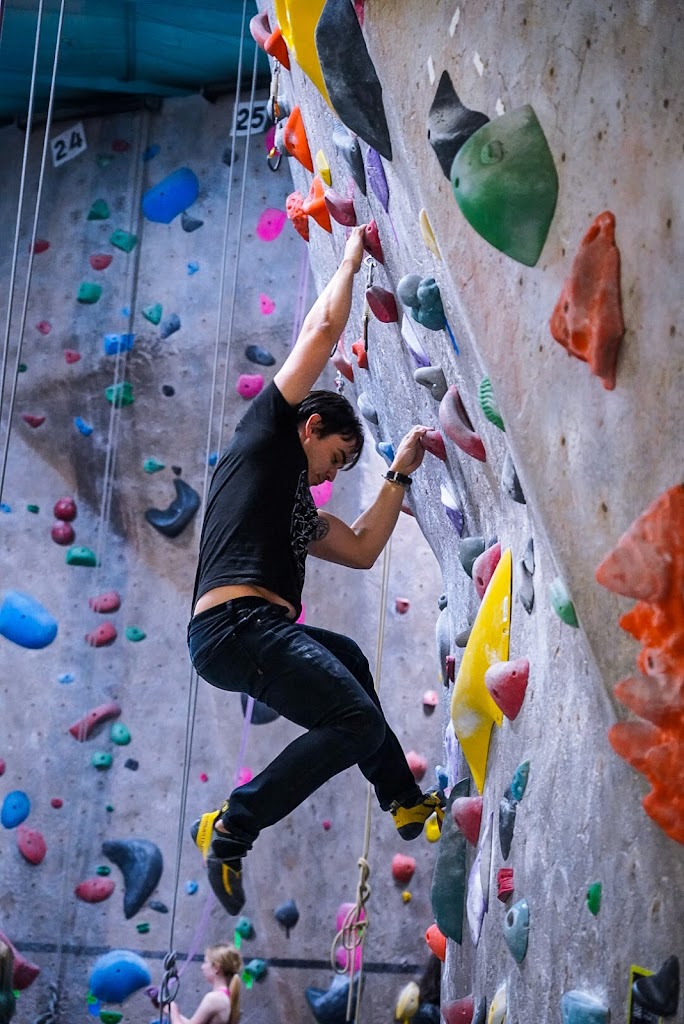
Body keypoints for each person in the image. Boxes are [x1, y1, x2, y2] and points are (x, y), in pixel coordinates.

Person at [188, 225, 445, 916]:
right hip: (237, 625)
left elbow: (360, 548)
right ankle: (233, 826)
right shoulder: (266, 438)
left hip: (244, 630)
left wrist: (397, 474)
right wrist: (352, 258)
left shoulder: (296, 511)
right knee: (354, 720)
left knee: (351, 663)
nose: (332, 475)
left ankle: (404, 801)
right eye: (335, 458)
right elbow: (321, 330)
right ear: (311, 428)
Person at [169, 944, 241, 1024]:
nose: (202, 967)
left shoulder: (214, 999)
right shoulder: (225, 996)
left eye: (205, 962)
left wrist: (173, 1010)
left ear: (216, 968)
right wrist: (170, 1010)